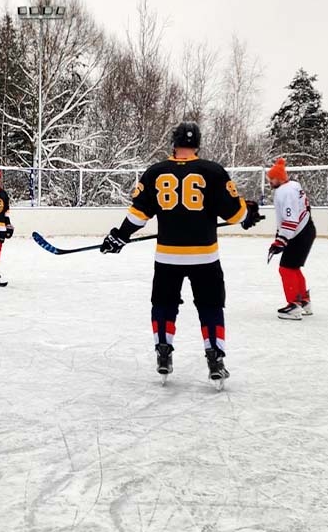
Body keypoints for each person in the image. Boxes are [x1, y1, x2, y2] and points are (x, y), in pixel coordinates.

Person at [100, 122, 262, 380]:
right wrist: (247, 213)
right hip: (205, 256)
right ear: (197, 144)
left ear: (173, 144)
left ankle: (163, 352)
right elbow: (236, 214)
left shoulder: (155, 172)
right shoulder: (213, 171)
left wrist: (120, 236)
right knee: (210, 306)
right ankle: (215, 358)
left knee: (163, 304)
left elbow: (138, 215)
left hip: (168, 256)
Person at [265, 158, 316, 320]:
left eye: (271, 178)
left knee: (286, 269)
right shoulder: (294, 186)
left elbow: (290, 218)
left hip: (298, 233)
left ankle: (294, 305)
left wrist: (281, 240)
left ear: (279, 178)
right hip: (306, 230)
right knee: (293, 268)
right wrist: (280, 237)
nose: (269, 181)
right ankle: (304, 301)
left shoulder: (284, 192)